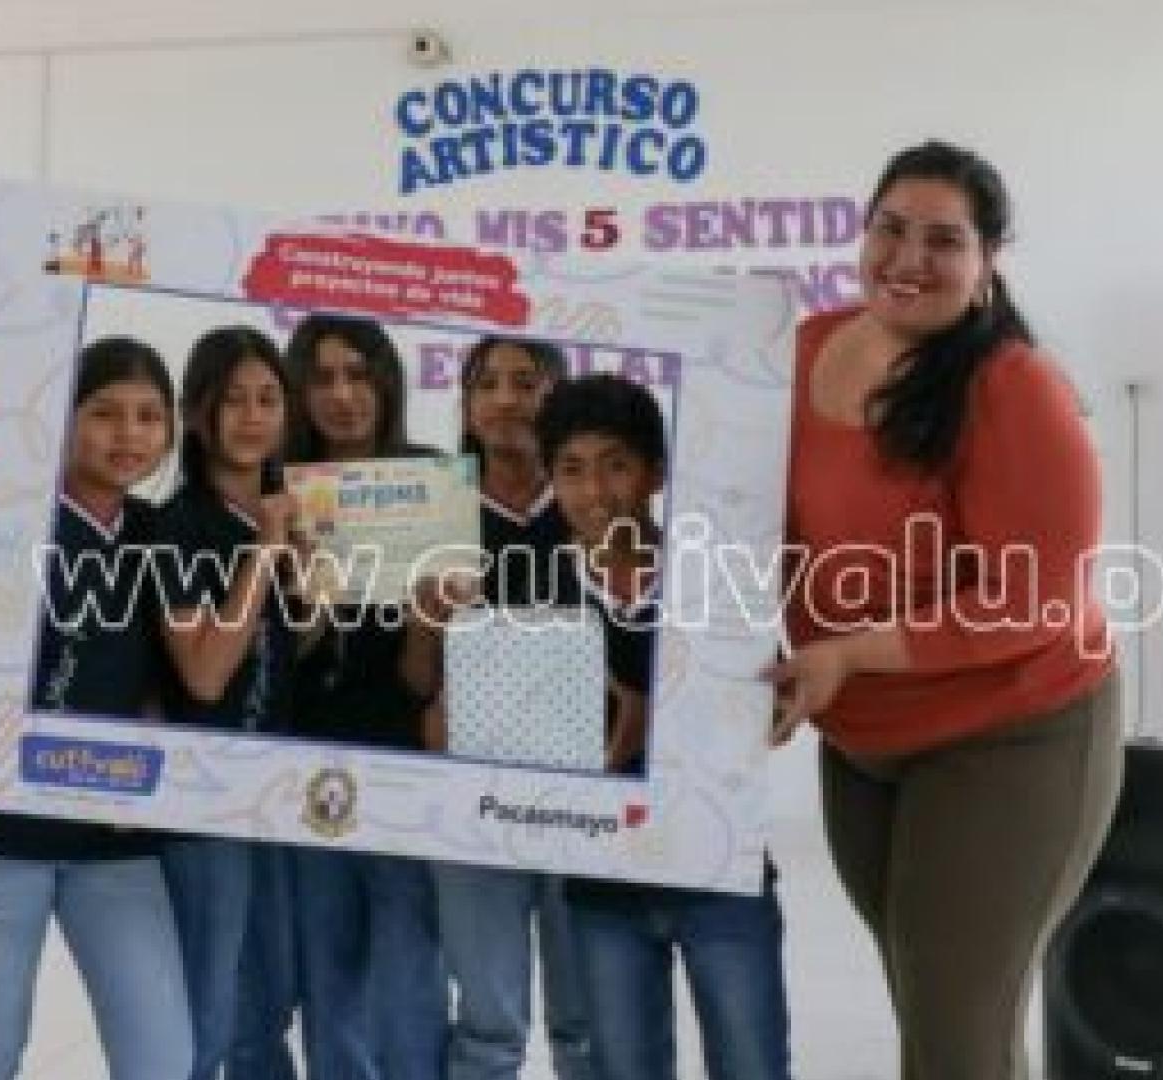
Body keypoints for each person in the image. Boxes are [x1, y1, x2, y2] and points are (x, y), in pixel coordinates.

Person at [770, 141, 1122, 1080]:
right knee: (929, 1013)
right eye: (890, 229)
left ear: (987, 260)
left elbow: (1036, 597)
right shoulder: (804, 349)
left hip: (1013, 732)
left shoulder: (1013, 385)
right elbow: (758, 520)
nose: (909, 259)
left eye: (944, 240)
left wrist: (848, 653)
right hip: (864, 740)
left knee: (959, 1039)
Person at [0, 337, 193, 1080]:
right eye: (104, 412)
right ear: (61, 419)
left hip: (115, 832)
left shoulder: (158, 533)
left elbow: (171, 673)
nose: (128, 434)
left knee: (162, 1054)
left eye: (148, 416)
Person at [541, 374, 793, 1080]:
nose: (595, 491)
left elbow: (770, 711)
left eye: (616, 465)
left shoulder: (714, 575)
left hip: (720, 870)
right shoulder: (534, 589)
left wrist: (769, 705)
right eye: (572, 469)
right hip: (602, 884)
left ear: (656, 473)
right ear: (551, 481)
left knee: (752, 1066)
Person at [413, 336, 595, 1080]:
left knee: (588, 1025)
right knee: (488, 1031)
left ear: (560, 398)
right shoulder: (435, 514)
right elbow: (413, 679)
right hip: (470, 797)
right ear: (465, 405)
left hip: (584, 799)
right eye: (486, 383)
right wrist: (427, 622)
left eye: (527, 381)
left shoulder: (599, 512)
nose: (504, 399)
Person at [283, 313, 449, 1080]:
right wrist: (305, 599)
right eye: (322, 378)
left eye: (358, 374)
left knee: (410, 971)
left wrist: (426, 627)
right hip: (302, 764)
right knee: (328, 973)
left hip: (406, 763)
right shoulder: (279, 493)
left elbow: (422, 681)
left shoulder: (431, 481)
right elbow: (278, 665)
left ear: (387, 382)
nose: (342, 395)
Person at [153, 325, 308, 1080]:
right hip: (204, 795)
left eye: (268, 399)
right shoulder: (175, 526)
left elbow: (293, 648)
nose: (253, 416)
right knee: (207, 1010)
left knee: (271, 1002)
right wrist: (266, 552)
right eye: (233, 399)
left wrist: (310, 574)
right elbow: (207, 675)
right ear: (196, 413)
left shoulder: (288, 515)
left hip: (280, 789)